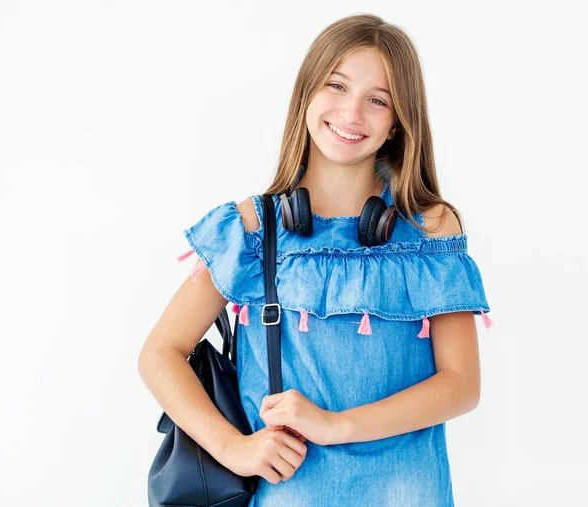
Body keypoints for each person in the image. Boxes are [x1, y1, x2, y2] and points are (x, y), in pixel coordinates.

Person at [138, 13, 492, 507]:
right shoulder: (251, 228)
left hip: (408, 494)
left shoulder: (428, 229)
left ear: (396, 123)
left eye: (378, 100)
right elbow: (159, 354)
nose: (352, 113)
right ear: (306, 94)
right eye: (337, 86)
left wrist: (335, 425)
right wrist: (234, 449)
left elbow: (461, 385)